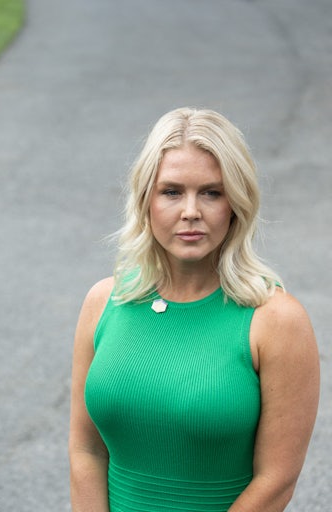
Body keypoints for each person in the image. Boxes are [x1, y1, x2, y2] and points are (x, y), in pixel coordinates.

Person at [68, 107, 319, 511]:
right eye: (171, 191)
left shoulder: (276, 321)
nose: (190, 211)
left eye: (211, 192)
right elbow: (86, 452)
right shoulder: (104, 302)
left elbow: (276, 481)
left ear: (235, 204)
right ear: (146, 199)